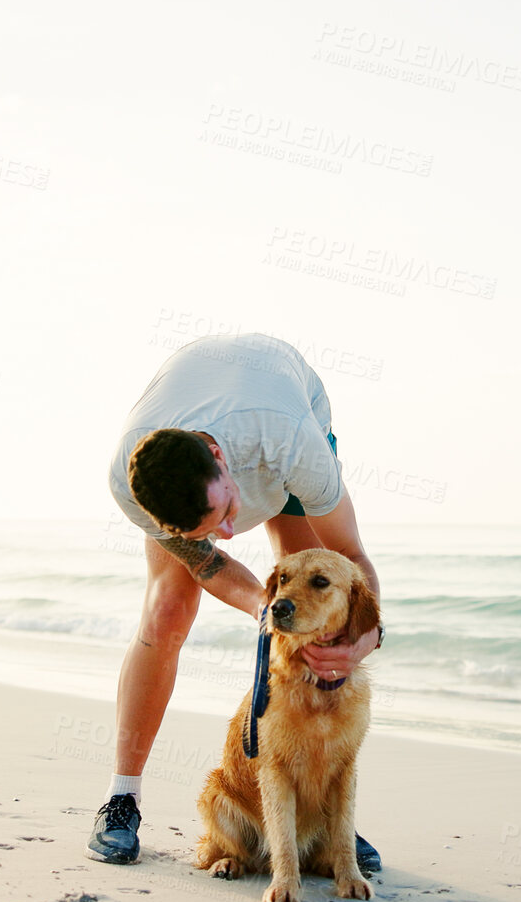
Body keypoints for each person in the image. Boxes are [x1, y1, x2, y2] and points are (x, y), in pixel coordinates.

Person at [92, 333, 383, 870]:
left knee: (315, 608)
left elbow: (348, 556)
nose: (230, 533)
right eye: (209, 528)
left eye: (228, 511)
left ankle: (318, 812)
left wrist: (364, 641)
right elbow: (207, 564)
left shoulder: (293, 444)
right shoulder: (132, 483)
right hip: (205, 410)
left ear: (219, 458)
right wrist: (259, 607)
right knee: (167, 610)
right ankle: (121, 799)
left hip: (281, 410)